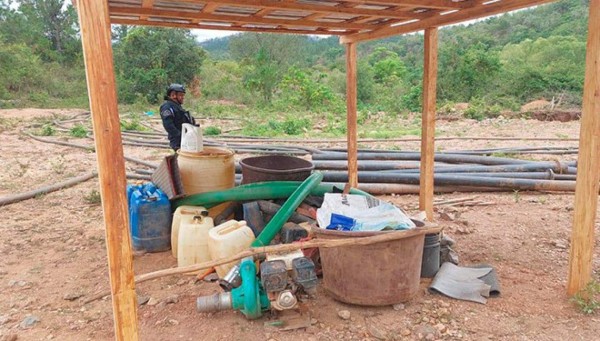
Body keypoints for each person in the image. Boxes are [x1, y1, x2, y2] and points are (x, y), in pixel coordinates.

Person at [159, 83, 196, 151]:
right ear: (173, 95)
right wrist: (180, 135)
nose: (182, 97)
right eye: (180, 95)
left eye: (183, 95)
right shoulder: (167, 107)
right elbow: (168, 125)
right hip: (178, 141)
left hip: (185, 139)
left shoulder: (177, 106)